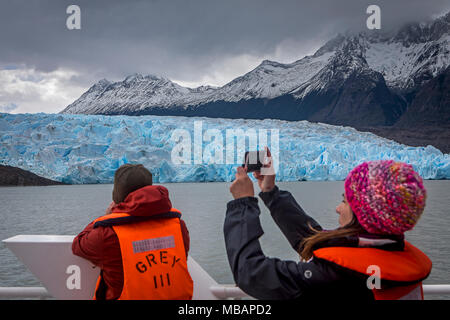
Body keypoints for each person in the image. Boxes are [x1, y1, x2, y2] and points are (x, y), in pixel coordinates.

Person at [224, 153, 432, 300]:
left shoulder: (336, 276)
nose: (338, 208)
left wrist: (243, 204)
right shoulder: (391, 255)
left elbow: (251, 273)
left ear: (364, 216)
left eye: (345, 201)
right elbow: (315, 240)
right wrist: (270, 193)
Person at [72, 163, 193, 300]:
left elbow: (78, 244)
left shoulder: (108, 235)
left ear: (117, 194)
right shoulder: (179, 226)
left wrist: (106, 217)